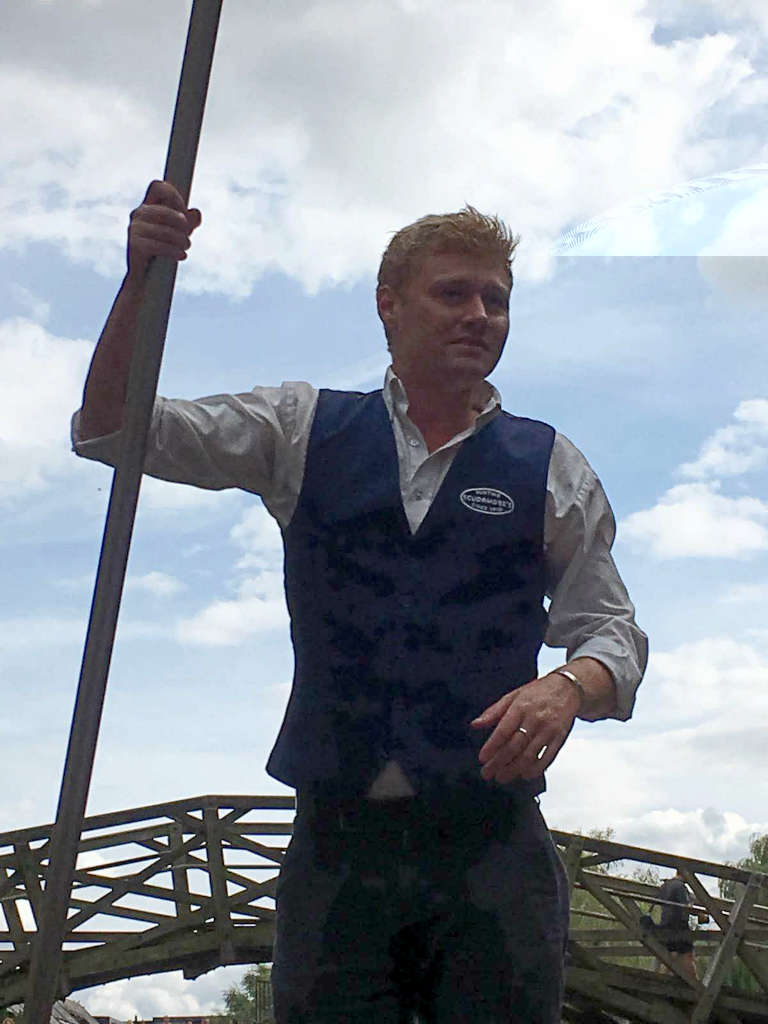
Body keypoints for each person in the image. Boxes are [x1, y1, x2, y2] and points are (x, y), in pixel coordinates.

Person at [73, 180, 648, 1023]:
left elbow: (612, 634)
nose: (478, 315)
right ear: (389, 304)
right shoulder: (301, 428)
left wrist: (567, 687)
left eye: (495, 299)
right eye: (453, 293)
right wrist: (141, 279)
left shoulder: (550, 464)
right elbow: (114, 428)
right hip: (336, 850)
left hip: (490, 849)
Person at [656, 868, 698, 982]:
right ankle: (696, 987)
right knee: (687, 957)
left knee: (669, 959)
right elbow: (686, 907)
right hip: (679, 928)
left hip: (665, 926)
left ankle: (659, 983)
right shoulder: (680, 886)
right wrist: (700, 914)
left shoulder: (665, 885)